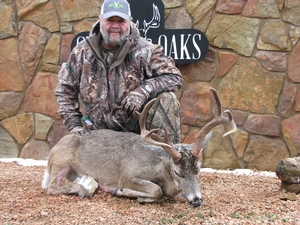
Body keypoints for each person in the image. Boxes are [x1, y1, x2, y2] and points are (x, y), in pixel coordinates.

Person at [55, 0, 183, 143]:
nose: (115, 26)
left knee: (168, 98)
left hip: (138, 136)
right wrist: (75, 126)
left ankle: (165, 159)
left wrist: (142, 91)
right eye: (110, 20)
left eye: (121, 21)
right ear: (100, 20)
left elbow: (174, 76)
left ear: (129, 22)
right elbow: (65, 91)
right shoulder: (81, 52)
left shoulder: (147, 50)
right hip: (97, 135)